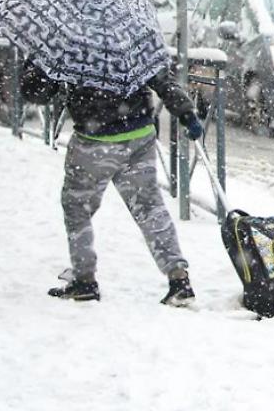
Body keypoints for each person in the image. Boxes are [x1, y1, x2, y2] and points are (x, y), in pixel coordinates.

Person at [20, 60, 206, 306]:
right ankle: (179, 279)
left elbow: (38, 92)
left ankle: (84, 280)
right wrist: (186, 112)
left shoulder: (72, 41)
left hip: (94, 139)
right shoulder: (130, 31)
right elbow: (161, 78)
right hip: (139, 133)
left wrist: (35, 66)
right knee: (149, 207)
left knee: (77, 207)